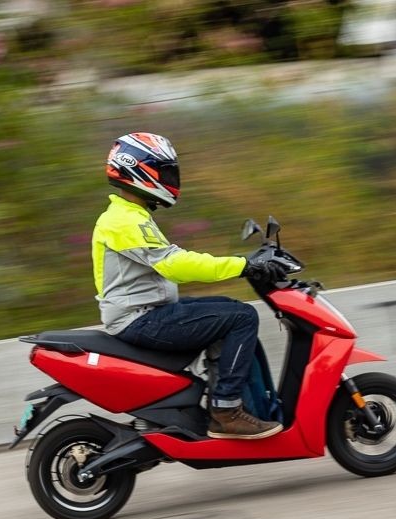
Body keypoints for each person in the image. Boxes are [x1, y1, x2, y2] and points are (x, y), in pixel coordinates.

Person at [92, 132, 287, 439]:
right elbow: (175, 264)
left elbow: (170, 263)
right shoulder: (124, 221)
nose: (172, 179)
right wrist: (242, 265)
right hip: (140, 319)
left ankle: (238, 401)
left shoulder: (129, 215)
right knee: (243, 317)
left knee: (229, 308)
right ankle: (226, 410)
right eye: (165, 172)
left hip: (147, 311)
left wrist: (246, 263)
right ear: (140, 171)